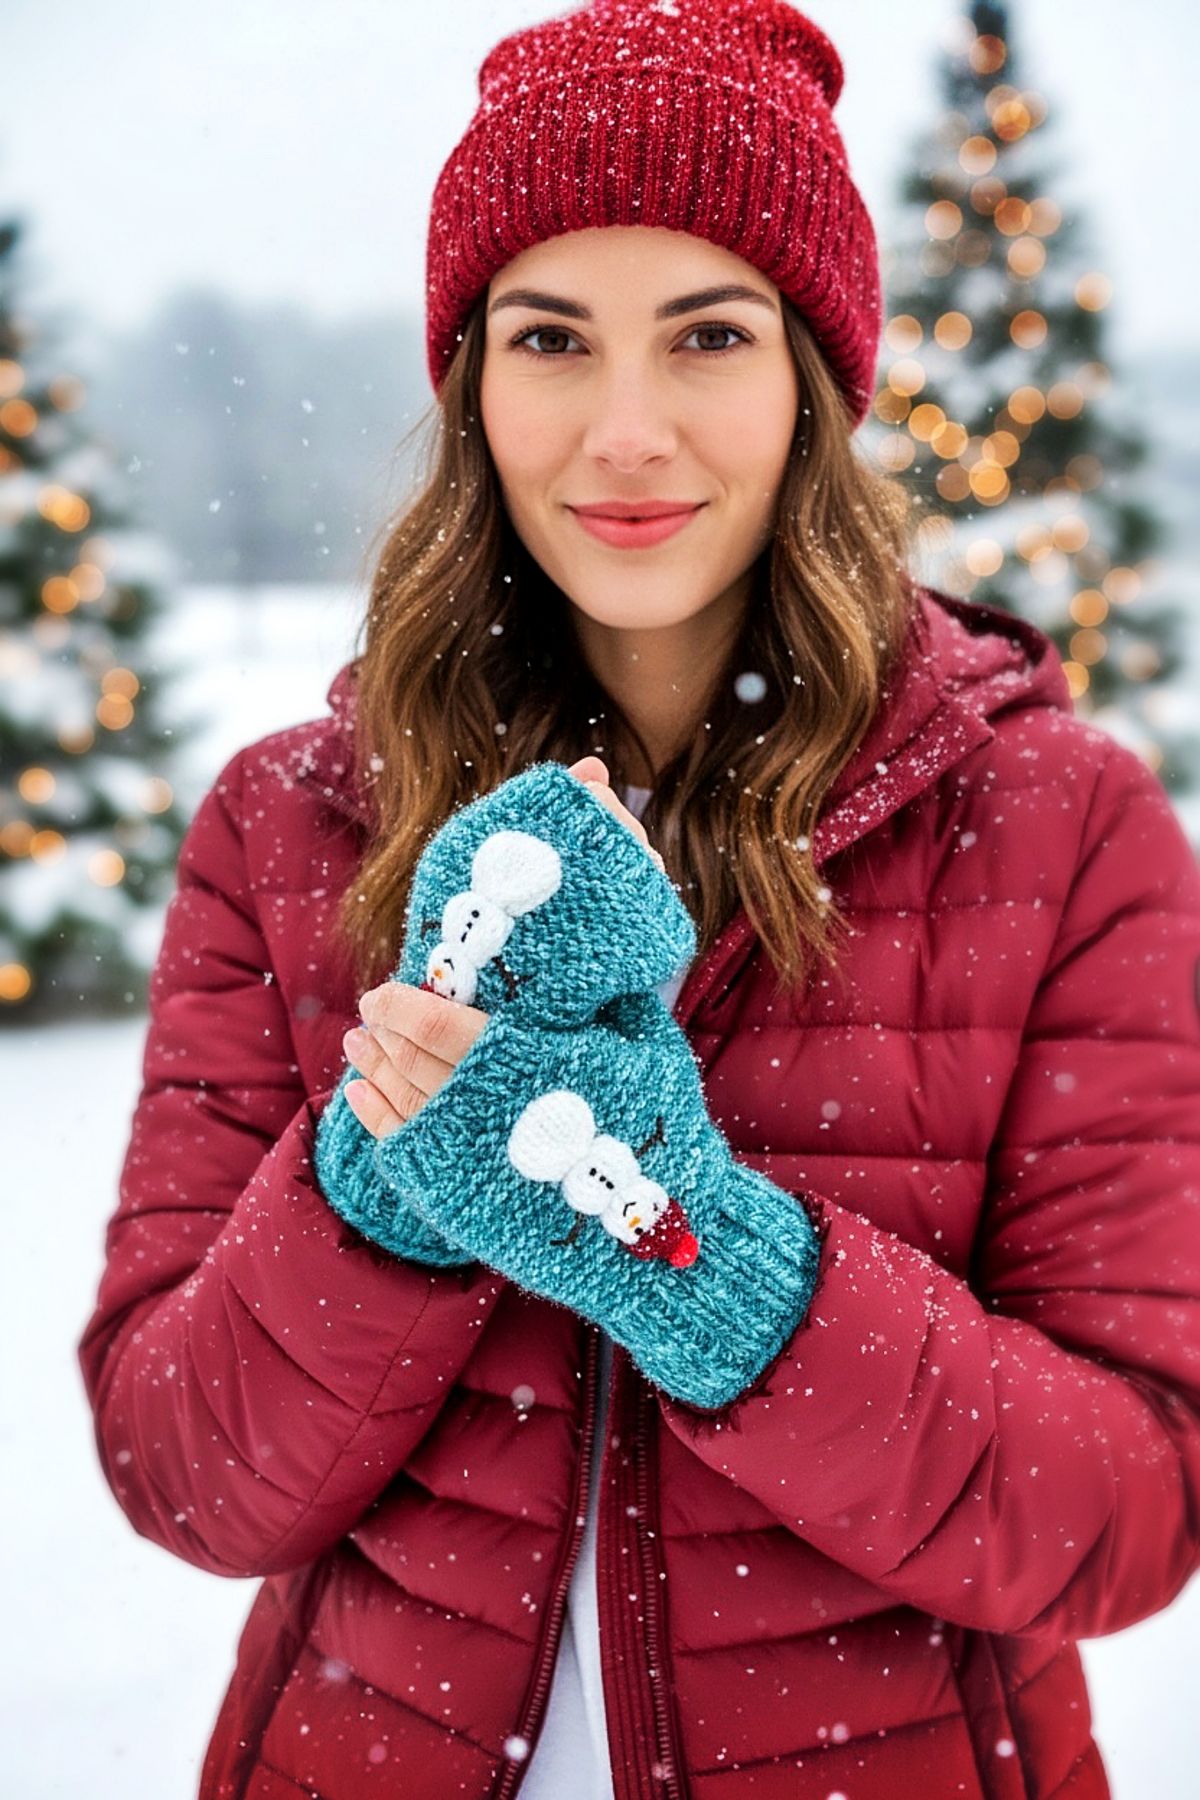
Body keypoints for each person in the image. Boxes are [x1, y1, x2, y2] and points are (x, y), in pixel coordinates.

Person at [76, 2, 1200, 1797]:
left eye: (708, 336)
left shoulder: (1058, 827)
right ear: (473, 382)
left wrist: (713, 1264)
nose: (625, 431)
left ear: (813, 379)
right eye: (551, 338)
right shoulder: (290, 826)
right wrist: (381, 1187)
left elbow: (1132, 1508)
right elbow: (181, 1473)